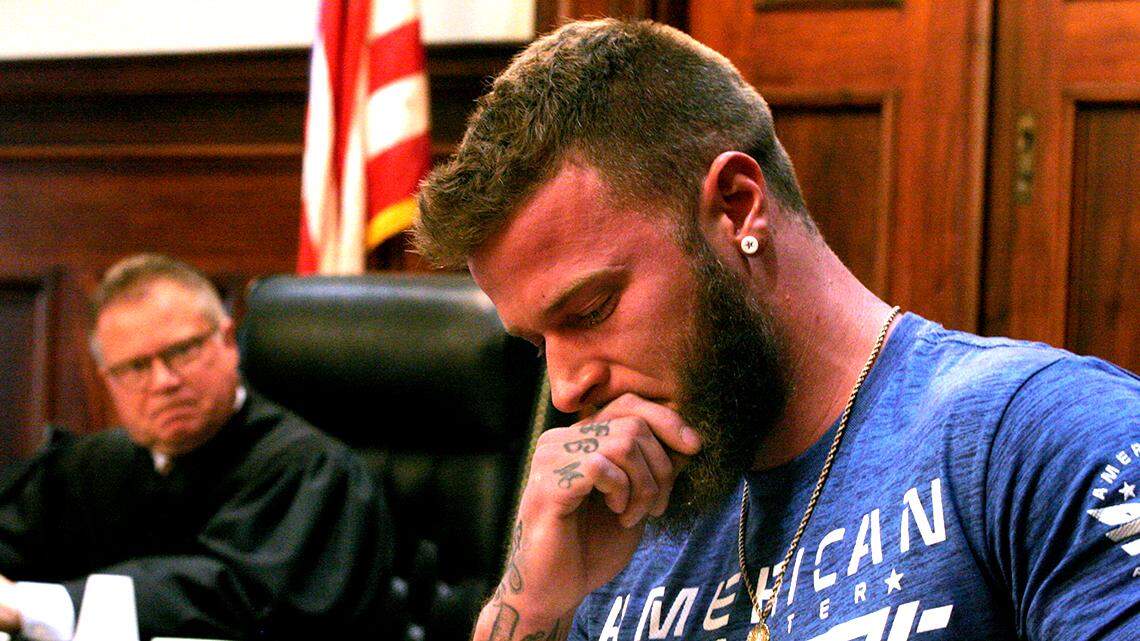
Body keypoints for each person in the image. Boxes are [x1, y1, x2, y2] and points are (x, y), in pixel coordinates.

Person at [413, 18, 1140, 641]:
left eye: (591, 311)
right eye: (540, 343)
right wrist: (535, 604)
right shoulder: (622, 516)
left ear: (737, 206)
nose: (566, 390)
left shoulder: (1046, 437)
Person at [0, 254, 392, 641]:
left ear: (227, 341)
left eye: (182, 352)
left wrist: (38, 606)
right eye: (135, 367)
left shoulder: (308, 469)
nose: (163, 382)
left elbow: (241, 599)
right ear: (108, 380)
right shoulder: (87, 467)